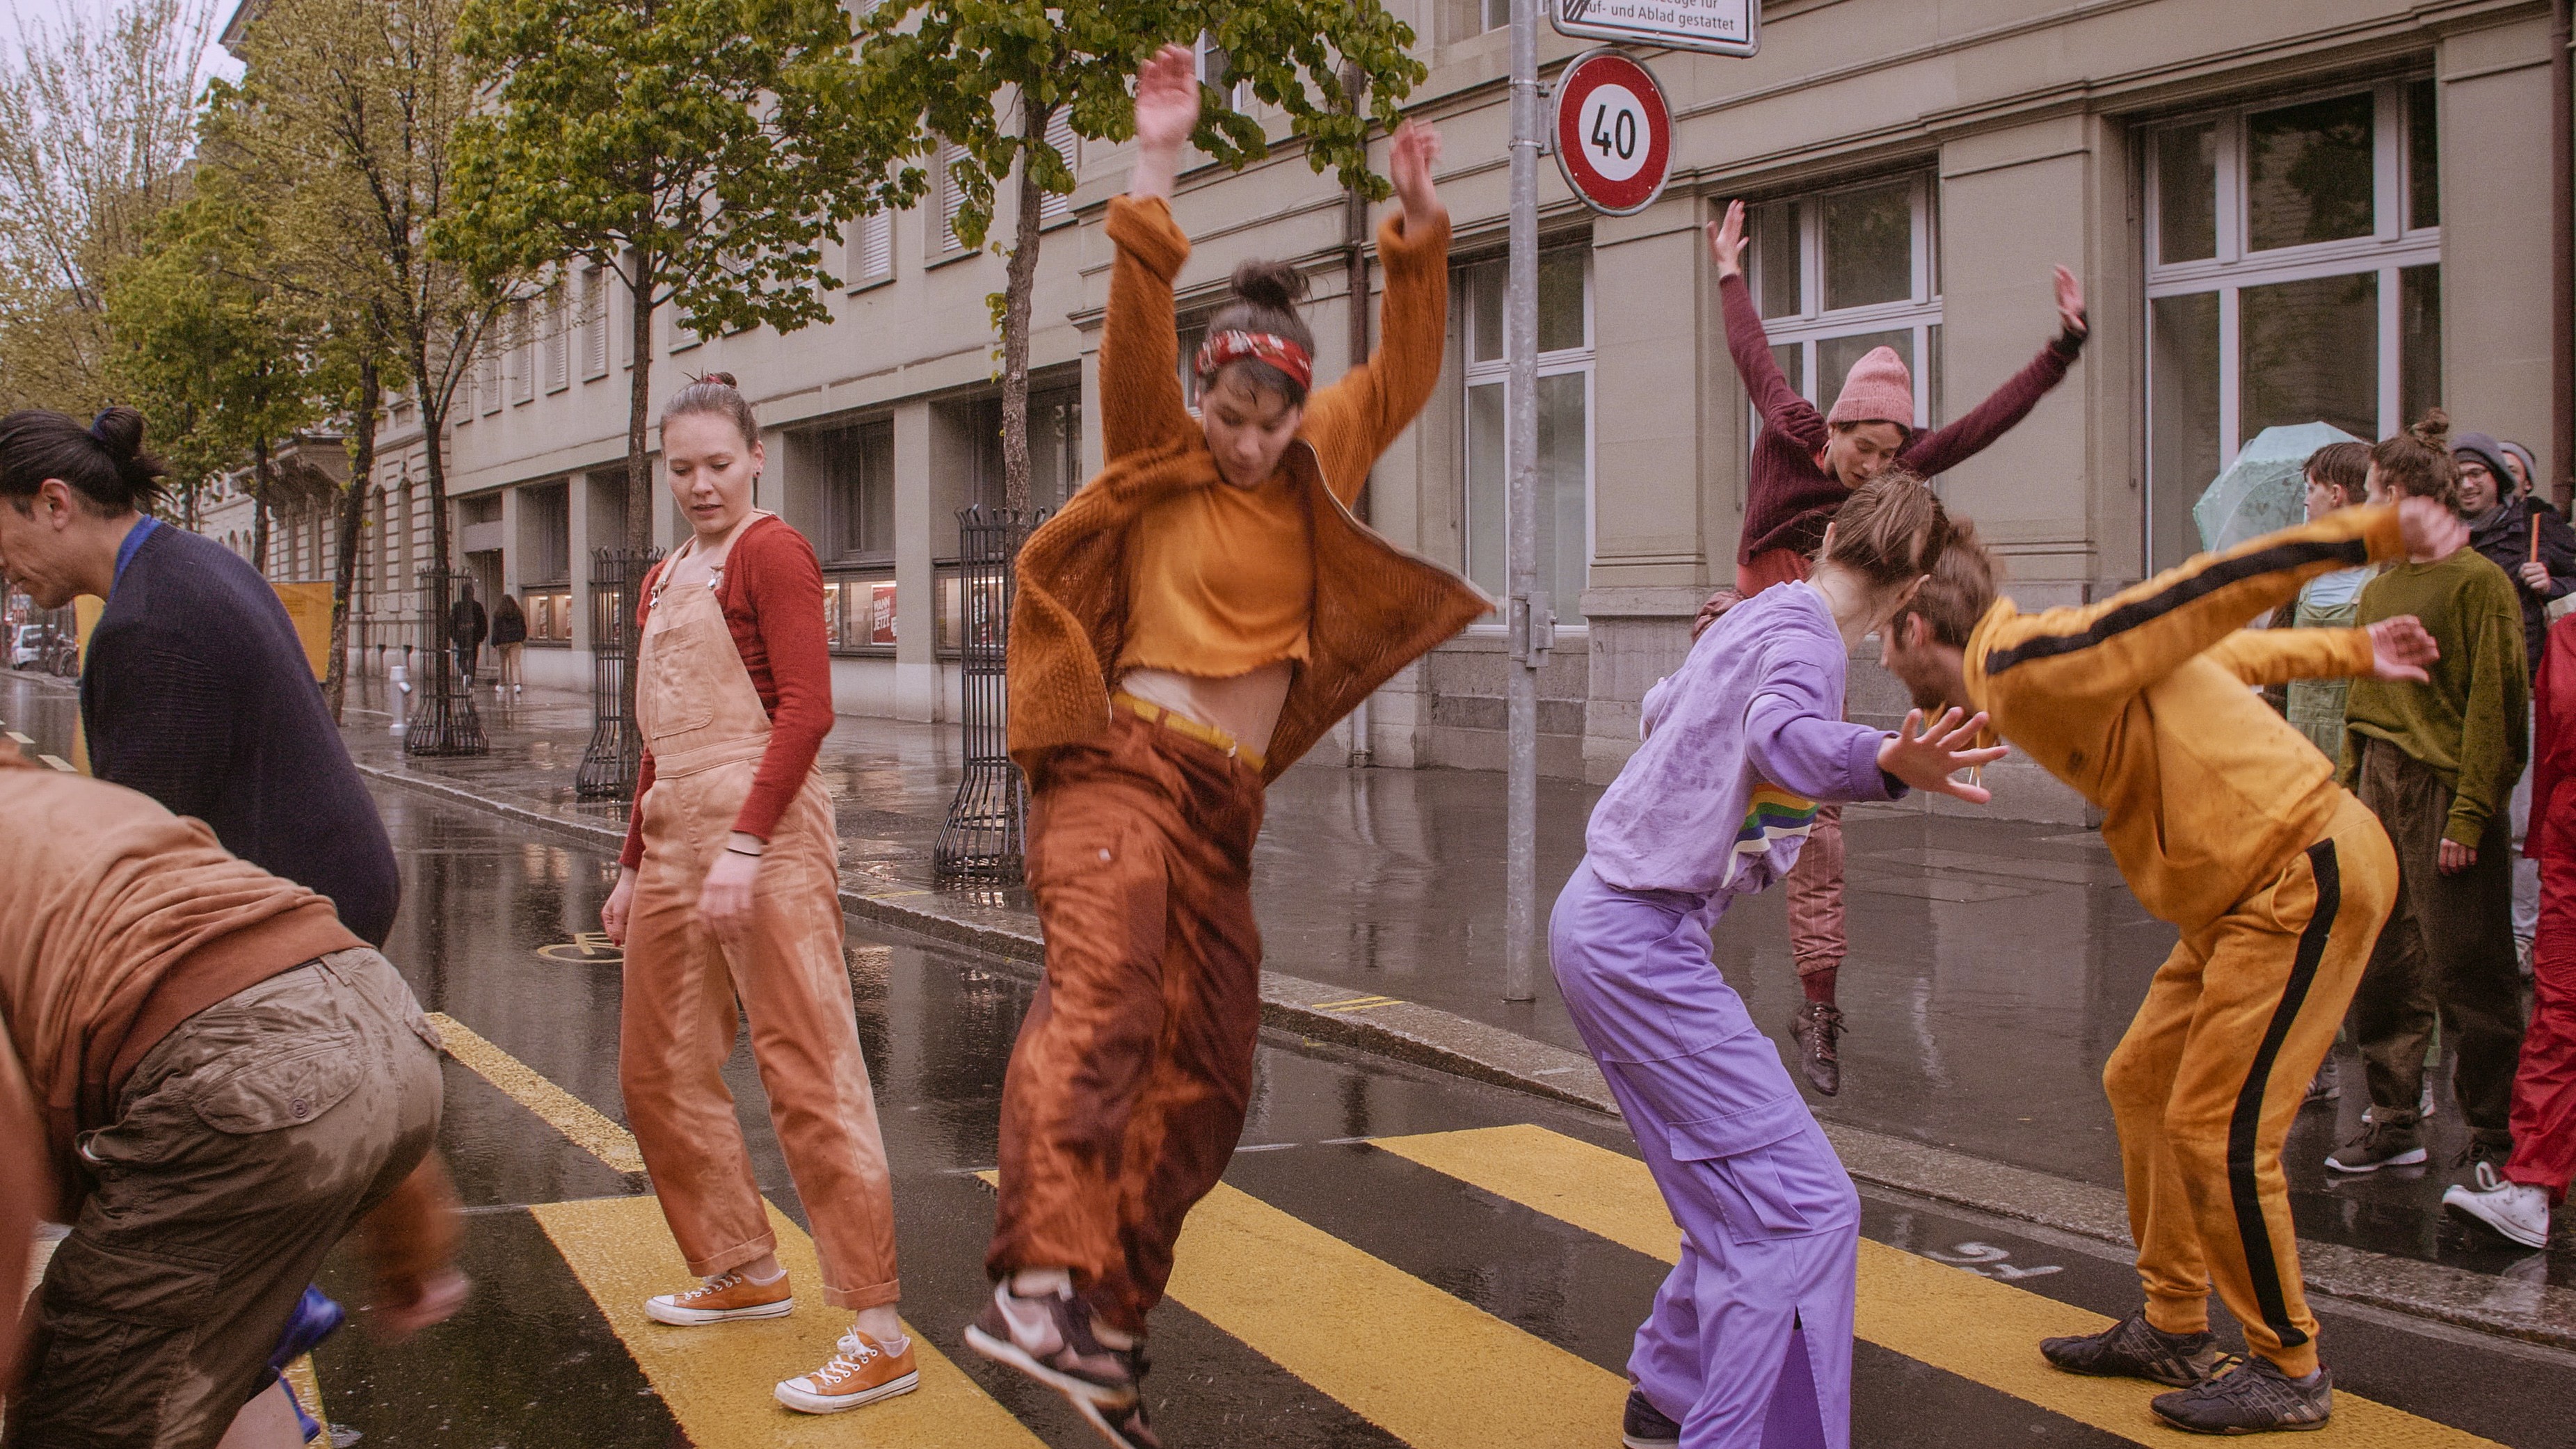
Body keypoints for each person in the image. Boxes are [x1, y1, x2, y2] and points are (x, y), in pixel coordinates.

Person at [966, 47, 1482, 1449]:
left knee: (1210, 1072)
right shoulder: (1161, 443)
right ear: (1203, 394)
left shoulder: (1326, 443)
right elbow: (1136, 317)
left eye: (1267, 423)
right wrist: (1152, 159)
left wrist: (1419, 225)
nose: (1246, 447)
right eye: (1228, 417)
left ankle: (1109, 1325)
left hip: (1223, 814)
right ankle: (1035, 1280)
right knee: (1108, 989)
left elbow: (1411, 362)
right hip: (1119, 770)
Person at [1878, 490, 2459, 1432]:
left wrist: (2370, 532)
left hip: (2296, 871)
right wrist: (2348, 652)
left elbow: (2203, 594)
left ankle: (2286, 1362)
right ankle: (2174, 1321)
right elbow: (2215, 654)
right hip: (2234, 896)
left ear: (1913, 626)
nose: (1876, 653)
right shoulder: (2019, 674)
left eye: (1879, 636)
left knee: (2216, 1129)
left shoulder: (2029, 657)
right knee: (2141, 1079)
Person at [1555, 477, 2004, 1449]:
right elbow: (1783, 739)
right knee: (1804, 1209)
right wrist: (1886, 758)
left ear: (1830, 533)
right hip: (1639, 937)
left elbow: (1660, 708)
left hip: (1603, 920)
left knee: (1729, 1194)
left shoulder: (1762, 614)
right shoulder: (1802, 642)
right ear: (1906, 594)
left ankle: (1668, 1394)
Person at [1696, 198, 2089, 1096]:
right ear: (1830, 430)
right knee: (1709, 783)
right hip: (1751, 618)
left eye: (1888, 455)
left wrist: (2060, 349)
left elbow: (1984, 422)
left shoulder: (1898, 476)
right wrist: (1726, 268)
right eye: (1861, 449)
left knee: (1812, 823)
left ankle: (1818, 1002)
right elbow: (1748, 349)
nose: (1873, 469)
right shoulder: (1790, 425)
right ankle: (1681, 949)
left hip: (1813, 648)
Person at [594, 373, 911, 1417]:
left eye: (716, 464)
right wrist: (635, 862)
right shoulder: (660, 577)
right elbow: (656, 741)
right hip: (681, 834)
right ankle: (741, 1262)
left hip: (763, 837)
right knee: (658, 1067)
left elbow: (808, 711)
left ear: (755, 456)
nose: (698, 484)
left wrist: (742, 843)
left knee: (807, 1066)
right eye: (680, 467)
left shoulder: (771, 551)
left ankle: (876, 1327)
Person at [0, 742, 461, 1449]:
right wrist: (410, 1244)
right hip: (383, 1015)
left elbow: (5, 1137)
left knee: (84, 1413)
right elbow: (308, 1020)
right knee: (206, 1354)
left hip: (241, 1089)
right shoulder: (90, 807)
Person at [0, 406, 400, 947]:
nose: (2, 563)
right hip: (325, 903)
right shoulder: (188, 561)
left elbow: (138, 861)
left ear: (54, 503)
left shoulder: (148, 625)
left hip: (289, 937)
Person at [2329, 415, 2531, 1182]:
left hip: (2443, 790)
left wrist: (2471, 813)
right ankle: (2393, 1119)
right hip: (2378, 785)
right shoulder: (2379, 587)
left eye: (2376, 493)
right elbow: (2360, 699)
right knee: (2382, 965)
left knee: (2468, 971)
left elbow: (2496, 705)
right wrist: (2348, 794)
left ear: (2408, 496)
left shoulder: (2479, 583)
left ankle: (2490, 1132)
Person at [2445, 607, 2576, 1246]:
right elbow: (2549, 747)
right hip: (2571, 841)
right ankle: (2530, 1185)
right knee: (2558, 1015)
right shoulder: (2565, 634)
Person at [2456, 430, 2574, 969]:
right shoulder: (2448, 537)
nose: (2465, 483)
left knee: (2522, 822)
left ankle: (2520, 935)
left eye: (2477, 472)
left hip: (2523, 688)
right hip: (2460, 696)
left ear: (2503, 482)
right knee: (2470, 818)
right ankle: (2476, 934)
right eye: (2457, 474)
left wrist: (2549, 581)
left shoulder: (2535, 528)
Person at [450, 578, 488, 685]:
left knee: (461, 658)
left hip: (461, 637)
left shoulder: (458, 606)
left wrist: (454, 636)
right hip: (474, 637)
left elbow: (452, 622)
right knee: (473, 659)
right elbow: (483, 623)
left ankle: (465, 673)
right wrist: (481, 636)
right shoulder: (477, 606)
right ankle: (471, 678)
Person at [491, 590, 527, 694]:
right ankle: (517, 685)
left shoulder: (498, 614)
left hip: (503, 642)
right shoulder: (518, 613)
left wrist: (494, 643)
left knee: (502, 663)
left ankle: (501, 684)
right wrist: (522, 638)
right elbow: (523, 628)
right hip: (516, 641)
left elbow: (496, 630)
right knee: (516, 663)